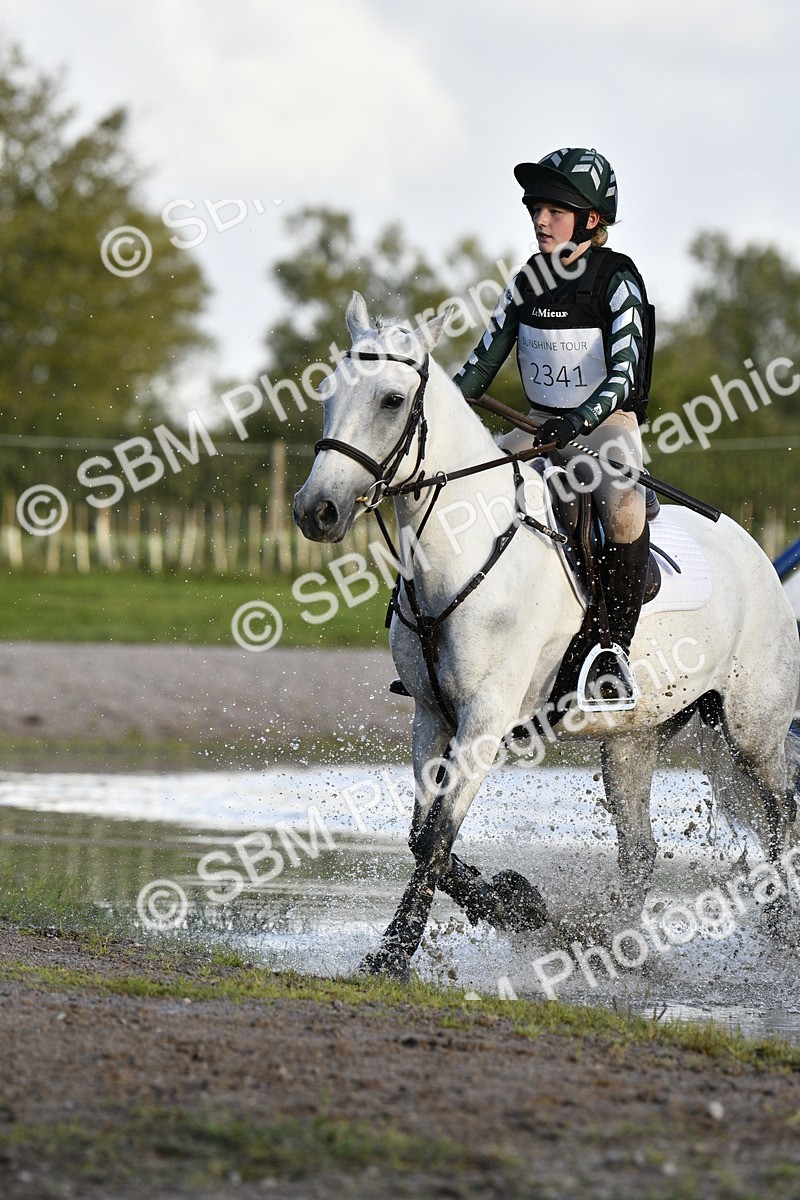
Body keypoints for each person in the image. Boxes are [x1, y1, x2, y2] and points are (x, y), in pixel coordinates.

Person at [453, 147, 653, 706]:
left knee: (624, 506)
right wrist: (435, 403)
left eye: (554, 210)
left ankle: (611, 653)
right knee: (467, 480)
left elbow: (623, 375)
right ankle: (444, 636)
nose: (540, 220)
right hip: (538, 424)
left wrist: (580, 421)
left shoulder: (618, 280)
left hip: (605, 423)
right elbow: (478, 369)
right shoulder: (526, 281)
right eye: (535, 209)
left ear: (591, 219)